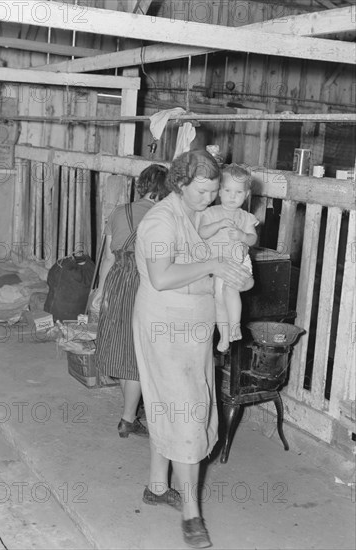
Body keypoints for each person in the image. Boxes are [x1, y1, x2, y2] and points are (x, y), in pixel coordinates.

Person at [133, 150, 254, 549]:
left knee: (172, 404)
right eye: (203, 191)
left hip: (196, 325)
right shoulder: (160, 221)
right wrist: (214, 267)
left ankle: (156, 486)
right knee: (187, 411)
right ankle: (191, 514)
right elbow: (162, 276)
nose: (210, 198)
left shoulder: (196, 215)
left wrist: (233, 272)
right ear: (180, 184)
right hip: (166, 324)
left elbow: (229, 260)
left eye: (215, 192)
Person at [93, 163, 169, 439]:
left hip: (116, 280)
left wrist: (101, 292)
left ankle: (132, 411)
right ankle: (128, 418)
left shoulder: (118, 212)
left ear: (142, 186)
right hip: (144, 283)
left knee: (122, 347)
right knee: (137, 354)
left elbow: (109, 257)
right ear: (166, 189)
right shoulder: (163, 216)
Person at [199, 164, 258, 352]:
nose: (233, 196)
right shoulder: (210, 212)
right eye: (228, 190)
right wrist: (218, 224)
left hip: (238, 262)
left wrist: (242, 236)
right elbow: (203, 232)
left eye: (239, 192)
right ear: (219, 192)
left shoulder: (246, 217)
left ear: (246, 195)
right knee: (218, 300)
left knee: (230, 289)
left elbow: (253, 238)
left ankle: (235, 326)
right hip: (218, 265)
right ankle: (224, 336)